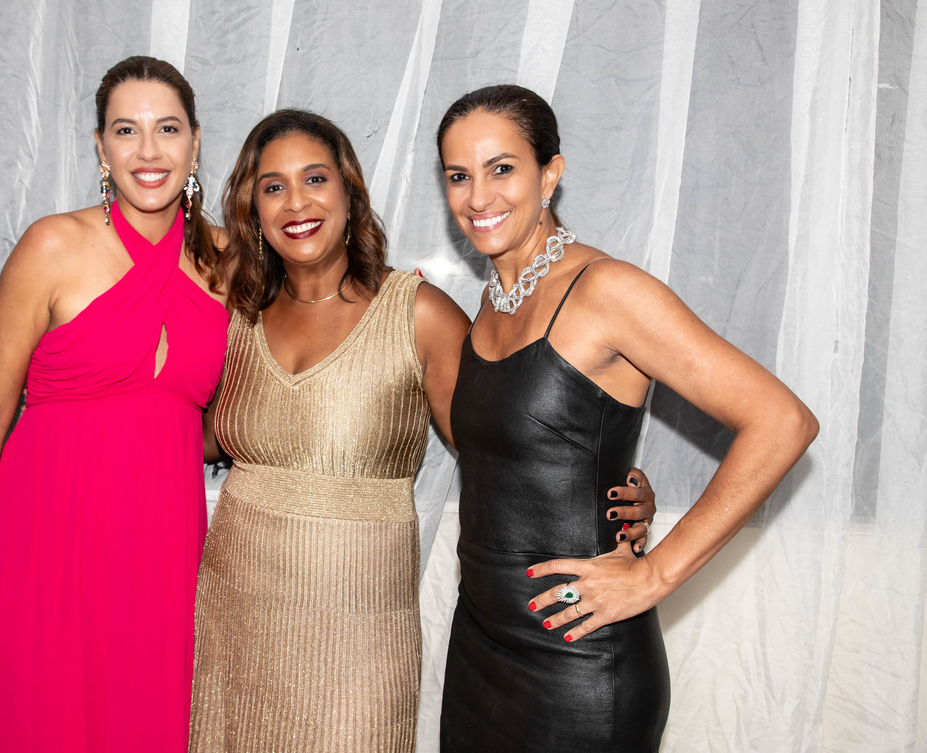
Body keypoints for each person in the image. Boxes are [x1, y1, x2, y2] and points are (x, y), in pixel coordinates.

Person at [187, 109, 656, 752]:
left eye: (315, 178)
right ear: (253, 208)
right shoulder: (235, 313)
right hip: (232, 615)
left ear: (349, 192)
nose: (296, 202)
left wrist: (609, 485)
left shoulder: (417, 313)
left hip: (355, 639)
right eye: (273, 186)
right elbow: (194, 434)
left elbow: (512, 442)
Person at [435, 85, 819, 752]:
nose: (479, 196)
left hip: (579, 662)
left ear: (549, 174)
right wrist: (613, 481)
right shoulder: (494, 302)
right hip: (479, 647)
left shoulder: (607, 291)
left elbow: (782, 421)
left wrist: (654, 575)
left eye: (502, 169)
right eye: (458, 175)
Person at [0, 56, 228, 752]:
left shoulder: (228, 261)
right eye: (126, 130)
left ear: (195, 142)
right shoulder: (51, 245)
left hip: (162, 553)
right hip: (43, 544)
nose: (148, 151)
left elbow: (238, 408)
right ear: (100, 147)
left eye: (168, 129)